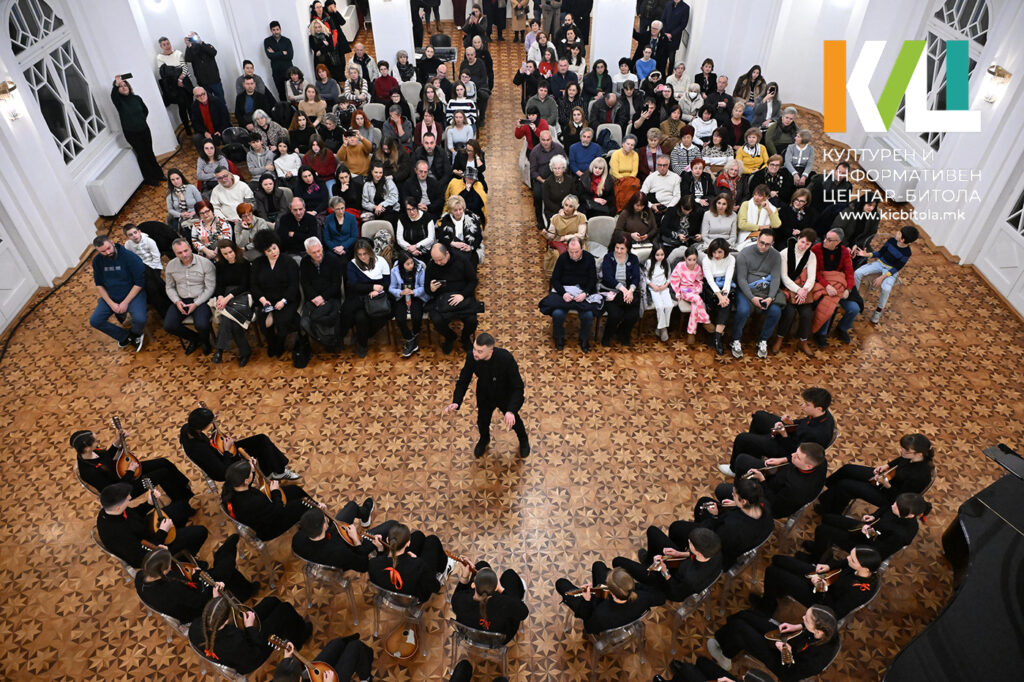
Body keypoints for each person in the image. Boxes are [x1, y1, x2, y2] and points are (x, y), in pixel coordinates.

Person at [651, 477, 773, 569]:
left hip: (718, 549)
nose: (732, 495)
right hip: (733, 534)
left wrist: (715, 516)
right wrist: (736, 504)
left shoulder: (731, 527)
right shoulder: (764, 504)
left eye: (734, 495)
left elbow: (712, 547)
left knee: (676, 527)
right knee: (704, 502)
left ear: (744, 501)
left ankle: (679, 558)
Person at [443, 332, 529, 458]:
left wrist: (511, 410)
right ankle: (484, 439)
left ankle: (523, 440)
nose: (475, 353)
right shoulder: (472, 357)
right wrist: (456, 401)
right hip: (485, 394)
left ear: (490, 351)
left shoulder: (505, 358)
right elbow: (463, 380)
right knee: (482, 421)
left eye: (480, 351)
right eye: (474, 349)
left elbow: (518, 387)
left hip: (504, 394)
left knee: (514, 421)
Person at [707, 605, 840, 680]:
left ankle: (725, 655)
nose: (802, 617)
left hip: (784, 666)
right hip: (791, 642)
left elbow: (789, 676)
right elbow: (809, 626)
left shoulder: (816, 660)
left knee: (739, 628)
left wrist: (785, 653)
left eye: (806, 620)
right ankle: (723, 640)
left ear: (818, 632)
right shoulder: (829, 628)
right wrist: (798, 626)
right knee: (745, 615)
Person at [189, 595, 312, 675]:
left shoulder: (195, 627)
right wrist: (250, 627)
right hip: (251, 657)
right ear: (226, 621)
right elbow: (255, 653)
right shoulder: (234, 639)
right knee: (285, 609)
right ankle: (299, 638)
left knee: (271, 601)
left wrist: (217, 600)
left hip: (237, 650)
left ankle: (289, 629)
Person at [136, 544, 256, 624]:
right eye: (169, 566)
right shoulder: (174, 589)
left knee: (225, 569)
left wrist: (161, 555)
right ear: (163, 572)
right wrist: (197, 578)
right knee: (225, 568)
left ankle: (242, 586)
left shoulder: (140, 577)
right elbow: (200, 601)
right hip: (198, 611)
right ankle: (246, 591)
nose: (170, 568)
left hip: (187, 597)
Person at [750, 546, 881, 620]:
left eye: (852, 559)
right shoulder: (861, 566)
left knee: (772, 572)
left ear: (865, 569)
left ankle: (767, 606)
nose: (848, 558)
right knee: (778, 559)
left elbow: (833, 612)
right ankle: (779, 589)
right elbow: (844, 563)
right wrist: (829, 566)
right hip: (826, 579)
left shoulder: (857, 593)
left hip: (820, 599)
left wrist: (820, 587)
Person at [96, 482, 206, 569]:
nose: (130, 497)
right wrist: (163, 532)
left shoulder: (110, 510)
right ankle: (183, 561)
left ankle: (176, 535)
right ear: (118, 508)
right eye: (127, 499)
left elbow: (134, 514)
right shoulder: (118, 534)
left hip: (144, 529)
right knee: (201, 532)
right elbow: (142, 556)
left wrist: (149, 503)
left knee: (182, 507)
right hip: (150, 550)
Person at [817, 434, 935, 515]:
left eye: (906, 450)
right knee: (848, 469)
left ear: (919, 454)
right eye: (903, 448)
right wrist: (886, 466)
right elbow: (901, 459)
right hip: (888, 478)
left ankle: (831, 511)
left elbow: (900, 497)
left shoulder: (920, 476)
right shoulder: (912, 456)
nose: (902, 452)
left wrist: (886, 484)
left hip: (889, 496)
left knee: (845, 486)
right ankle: (827, 493)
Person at [726, 386, 835, 472]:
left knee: (742, 439)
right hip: (790, 435)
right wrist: (791, 423)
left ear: (818, 408)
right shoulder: (822, 413)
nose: (802, 405)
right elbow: (804, 423)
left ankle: (735, 469)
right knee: (759, 416)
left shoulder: (817, 434)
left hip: (786, 448)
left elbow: (795, 452)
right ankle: (754, 453)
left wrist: (783, 434)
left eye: (807, 404)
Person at [179, 404, 297, 482]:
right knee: (259, 446)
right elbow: (222, 470)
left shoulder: (188, 428)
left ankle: (272, 472)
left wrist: (211, 420)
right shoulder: (198, 450)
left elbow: (210, 441)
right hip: (224, 467)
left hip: (219, 453)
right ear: (202, 427)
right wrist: (226, 449)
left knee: (261, 439)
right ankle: (278, 472)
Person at [800, 493, 931, 563]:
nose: (893, 506)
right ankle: (820, 547)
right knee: (828, 518)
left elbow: (879, 552)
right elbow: (886, 508)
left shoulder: (901, 535)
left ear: (910, 515)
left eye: (896, 507)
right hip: (865, 529)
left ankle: (816, 558)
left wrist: (868, 533)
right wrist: (874, 516)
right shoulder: (901, 507)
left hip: (863, 546)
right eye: (895, 503)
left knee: (822, 530)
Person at [73, 426, 193, 502]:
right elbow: (114, 490)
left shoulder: (91, 451)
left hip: (121, 473)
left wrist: (117, 442)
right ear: (87, 448)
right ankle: (183, 500)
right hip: (124, 489)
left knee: (163, 462)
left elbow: (107, 458)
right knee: (163, 473)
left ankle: (183, 485)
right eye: (96, 441)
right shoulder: (90, 472)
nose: (98, 442)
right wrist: (130, 471)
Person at [612, 527, 722, 603]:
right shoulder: (714, 551)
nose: (688, 541)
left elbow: (676, 594)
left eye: (690, 543)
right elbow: (695, 556)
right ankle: (648, 560)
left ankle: (648, 574)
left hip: (669, 583)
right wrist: (679, 554)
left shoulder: (691, 578)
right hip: (681, 567)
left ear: (699, 552)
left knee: (618, 562)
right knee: (652, 531)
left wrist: (664, 571)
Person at [720, 442, 828, 520]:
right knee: (742, 460)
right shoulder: (819, 459)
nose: (792, 455)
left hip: (771, 501)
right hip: (775, 479)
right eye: (795, 452)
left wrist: (762, 480)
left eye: (797, 457)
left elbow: (773, 503)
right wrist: (783, 460)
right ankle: (739, 487)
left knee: (721, 490)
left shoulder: (795, 488)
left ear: (808, 466)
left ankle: (738, 500)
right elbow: (793, 457)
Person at [555, 563, 665, 634]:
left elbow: (588, 628)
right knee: (598, 565)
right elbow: (661, 599)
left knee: (561, 583)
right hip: (623, 611)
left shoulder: (601, 614)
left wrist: (587, 600)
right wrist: (635, 586)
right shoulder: (644, 597)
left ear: (611, 593)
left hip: (594, 610)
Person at [221, 460, 312, 540]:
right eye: (250, 473)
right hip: (269, 527)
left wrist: (252, 469)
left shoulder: (231, 488)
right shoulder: (253, 501)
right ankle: (312, 523)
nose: (252, 473)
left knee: (295, 490)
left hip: (264, 512)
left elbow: (247, 484)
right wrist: (275, 491)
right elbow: (277, 510)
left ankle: (308, 513)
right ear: (246, 480)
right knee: (304, 504)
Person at [730, 231, 783, 359]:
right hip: (747, 290)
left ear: (772, 243)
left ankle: (763, 340)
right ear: (757, 239)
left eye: (767, 244)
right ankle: (735, 339)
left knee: (775, 311)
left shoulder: (776, 255)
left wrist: (770, 297)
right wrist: (752, 298)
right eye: (761, 242)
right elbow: (741, 279)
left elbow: (776, 278)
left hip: (766, 291)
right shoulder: (744, 253)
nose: (763, 246)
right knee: (743, 310)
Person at [540, 237, 598, 352]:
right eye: (571, 252)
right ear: (567, 249)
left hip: (581, 292)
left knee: (588, 316)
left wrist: (585, 293)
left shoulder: (589, 258)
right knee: (557, 314)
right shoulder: (562, 258)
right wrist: (563, 293)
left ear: (582, 248)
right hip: (565, 292)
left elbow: (593, 280)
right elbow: (555, 279)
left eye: (576, 252)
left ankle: (584, 339)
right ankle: (559, 338)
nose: (574, 255)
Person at [89, 235, 147, 351]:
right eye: (103, 251)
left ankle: (135, 334)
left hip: (133, 294)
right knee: (95, 320)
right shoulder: (97, 261)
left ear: (112, 243)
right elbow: (99, 285)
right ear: (97, 250)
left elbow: (139, 283)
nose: (107, 252)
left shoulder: (130, 257)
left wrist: (125, 302)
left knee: (140, 319)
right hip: (111, 296)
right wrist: (111, 304)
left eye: (108, 248)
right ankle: (125, 336)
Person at [368, 522, 450, 604]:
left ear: (387, 540)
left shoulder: (373, 563)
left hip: (387, 595)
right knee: (432, 540)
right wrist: (415, 560)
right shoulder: (419, 565)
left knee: (418, 535)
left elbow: (381, 568)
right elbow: (435, 587)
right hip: (413, 600)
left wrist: (380, 551)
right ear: (408, 543)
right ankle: (445, 569)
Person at [852, 225, 919, 324]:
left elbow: (896, 268)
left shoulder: (907, 253)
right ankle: (854, 297)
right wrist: (867, 254)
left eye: (899, 233)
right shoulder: (891, 241)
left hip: (891, 271)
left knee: (886, 289)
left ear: (902, 240)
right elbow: (880, 253)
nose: (897, 233)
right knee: (857, 272)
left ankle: (878, 311)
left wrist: (882, 277)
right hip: (880, 263)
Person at [252, 229, 302, 358]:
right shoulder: (257, 263)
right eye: (269, 251)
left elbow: (293, 285)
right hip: (266, 299)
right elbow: (254, 285)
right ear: (264, 252)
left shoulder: (289, 262)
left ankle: (280, 343)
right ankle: (271, 342)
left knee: (282, 320)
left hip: (287, 298)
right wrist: (263, 300)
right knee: (264, 323)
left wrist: (283, 301)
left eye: (274, 248)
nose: (273, 252)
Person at [451, 560, 529, 642]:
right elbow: (524, 613)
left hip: (469, 635)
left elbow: (458, 594)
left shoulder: (460, 600)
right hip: (499, 640)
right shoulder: (505, 603)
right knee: (509, 575)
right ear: (495, 589)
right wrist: (502, 590)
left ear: (473, 585)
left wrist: (465, 576)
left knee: (481, 565)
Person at [163, 238, 216, 356]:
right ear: (175, 253)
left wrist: (196, 303)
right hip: (181, 299)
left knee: (201, 324)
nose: (184, 255)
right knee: (169, 326)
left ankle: (205, 342)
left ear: (190, 249)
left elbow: (210, 288)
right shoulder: (171, 266)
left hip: (201, 299)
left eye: (186, 250)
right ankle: (196, 339)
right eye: (179, 253)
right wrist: (177, 301)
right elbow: (169, 287)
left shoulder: (205, 263)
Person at [341, 238, 391, 358]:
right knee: (360, 317)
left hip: (378, 297)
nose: (363, 257)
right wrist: (372, 287)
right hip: (360, 297)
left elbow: (387, 282)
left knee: (385, 313)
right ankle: (361, 345)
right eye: (360, 254)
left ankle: (361, 337)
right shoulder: (352, 264)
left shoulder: (381, 261)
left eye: (365, 253)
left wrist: (378, 291)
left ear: (370, 251)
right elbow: (354, 285)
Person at [773, 229, 820, 357]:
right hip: (785, 288)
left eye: (807, 244)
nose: (803, 246)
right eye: (802, 242)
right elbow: (784, 276)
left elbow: (811, 277)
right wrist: (798, 290)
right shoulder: (785, 253)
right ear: (798, 238)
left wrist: (804, 291)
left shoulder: (811, 256)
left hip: (803, 289)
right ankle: (779, 338)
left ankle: (803, 341)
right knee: (789, 312)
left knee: (807, 314)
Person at [110, 76, 164, 186]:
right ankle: (150, 179)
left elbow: (145, 110)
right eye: (121, 86)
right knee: (142, 155)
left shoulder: (136, 98)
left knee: (149, 152)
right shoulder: (119, 102)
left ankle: (159, 174)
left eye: (125, 85)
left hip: (144, 129)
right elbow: (113, 96)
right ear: (117, 90)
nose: (124, 87)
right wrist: (116, 84)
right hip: (131, 133)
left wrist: (141, 120)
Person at [808, 227, 856, 346]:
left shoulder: (844, 252)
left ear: (838, 242)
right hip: (822, 283)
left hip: (840, 284)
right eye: (825, 238)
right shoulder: (816, 249)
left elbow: (849, 272)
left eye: (829, 240)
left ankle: (842, 328)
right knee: (829, 306)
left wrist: (848, 289)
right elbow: (815, 271)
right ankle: (821, 333)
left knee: (854, 308)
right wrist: (827, 286)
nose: (825, 241)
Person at [210, 239, 254, 366]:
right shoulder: (219, 265)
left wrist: (226, 298)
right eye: (225, 254)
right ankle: (245, 352)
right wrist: (219, 297)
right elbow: (219, 284)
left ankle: (219, 349)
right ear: (221, 254)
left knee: (228, 317)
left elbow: (245, 285)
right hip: (226, 295)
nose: (229, 255)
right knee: (233, 322)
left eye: (230, 252)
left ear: (235, 250)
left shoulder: (244, 263)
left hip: (242, 294)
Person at [298, 236, 345, 350]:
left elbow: (336, 284)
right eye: (313, 252)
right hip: (313, 298)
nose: (317, 254)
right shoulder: (304, 262)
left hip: (331, 297)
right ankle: (324, 341)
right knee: (304, 322)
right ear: (307, 252)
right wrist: (316, 298)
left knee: (328, 318)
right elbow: (305, 283)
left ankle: (331, 342)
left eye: (319, 251)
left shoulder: (333, 260)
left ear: (322, 247)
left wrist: (323, 297)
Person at [599, 233, 642, 346]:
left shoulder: (633, 259)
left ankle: (623, 333)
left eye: (622, 248)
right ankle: (607, 336)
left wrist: (630, 291)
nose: (618, 251)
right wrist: (623, 290)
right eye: (617, 247)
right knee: (615, 315)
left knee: (633, 315)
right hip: (611, 291)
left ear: (628, 248)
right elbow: (608, 278)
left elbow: (636, 277)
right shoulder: (608, 258)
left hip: (628, 292)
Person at [273, 636, 373, 682]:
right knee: (356, 647)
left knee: (337, 643)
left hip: (311, 677)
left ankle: (346, 646)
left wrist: (287, 658)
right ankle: (366, 679)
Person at [122, 223, 170, 318]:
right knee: (147, 285)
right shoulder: (128, 245)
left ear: (139, 232)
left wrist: (149, 269)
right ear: (127, 237)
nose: (134, 236)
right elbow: (130, 259)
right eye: (130, 235)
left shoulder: (149, 241)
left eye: (135, 232)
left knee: (152, 283)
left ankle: (164, 305)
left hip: (154, 266)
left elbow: (156, 258)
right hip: (140, 268)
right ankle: (158, 304)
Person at [389, 252, 429, 358]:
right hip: (401, 297)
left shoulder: (420, 268)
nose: (411, 265)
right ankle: (410, 339)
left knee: (417, 317)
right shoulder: (395, 271)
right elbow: (391, 288)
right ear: (402, 264)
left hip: (416, 296)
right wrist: (400, 292)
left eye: (412, 262)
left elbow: (424, 286)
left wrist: (414, 292)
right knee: (400, 319)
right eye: (408, 264)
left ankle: (414, 336)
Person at [669, 245, 710, 343]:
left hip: (694, 291)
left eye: (694, 260)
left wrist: (698, 289)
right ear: (685, 258)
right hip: (684, 290)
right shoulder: (680, 266)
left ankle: (691, 333)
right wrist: (677, 292)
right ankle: (705, 320)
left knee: (695, 306)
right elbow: (674, 280)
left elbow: (700, 281)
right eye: (689, 259)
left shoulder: (698, 268)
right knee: (698, 299)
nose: (692, 262)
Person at [156, 36, 195, 135]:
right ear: (161, 46)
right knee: (182, 108)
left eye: (168, 43)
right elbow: (164, 73)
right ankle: (187, 129)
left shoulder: (178, 53)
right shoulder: (160, 57)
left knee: (191, 106)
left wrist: (179, 77)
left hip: (185, 84)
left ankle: (196, 126)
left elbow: (185, 68)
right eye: (164, 45)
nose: (167, 46)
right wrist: (177, 70)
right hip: (175, 88)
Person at [438, 194, 484, 265]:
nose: (458, 212)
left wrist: (470, 247)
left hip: (469, 248)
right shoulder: (446, 219)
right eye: (455, 210)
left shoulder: (472, 217)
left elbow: (479, 237)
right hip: (452, 249)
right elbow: (441, 237)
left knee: (469, 261)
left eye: (460, 209)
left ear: (463, 208)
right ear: (450, 210)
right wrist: (453, 243)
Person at [645, 243, 674, 341]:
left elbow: (669, 277)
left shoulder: (666, 263)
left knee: (669, 306)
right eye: (657, 255)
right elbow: (645, 277)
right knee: (660, 307)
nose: (660, 257)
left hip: (664, 288)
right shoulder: (649, 262)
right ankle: (664, 329)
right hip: (654, 290)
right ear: (654, 254)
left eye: (662, 255)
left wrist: (665, 285)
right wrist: (653, 286)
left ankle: (660, 327)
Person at [184, 32, 223, 101]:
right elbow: (188, 59)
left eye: (194, 37)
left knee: (220, 100)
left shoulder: (207, 46)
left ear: (198, 37)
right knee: (207, 102)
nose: (193, 39)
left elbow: (213, 52)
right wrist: (188, 46)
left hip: (215, 80)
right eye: (191, 38)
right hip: (203, 83)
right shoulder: (191, 50)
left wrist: (201, 43)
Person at [165, 168, 203, 235]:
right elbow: (170, 209)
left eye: (177, 178)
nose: (176, 181)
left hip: (196, 213)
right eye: (173, 180)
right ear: (170, 181)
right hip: (181, 217)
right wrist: (181, 214)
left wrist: (194, 212)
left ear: (181, 177)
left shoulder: (191, 188)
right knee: (187, 230)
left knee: (199, 229)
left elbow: (200, 202)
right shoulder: (169, 194)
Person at [264, 21, 294, 100]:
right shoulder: (267, 41)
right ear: (271, 30)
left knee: (293, 92)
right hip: (276, 71)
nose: (276, 32)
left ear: (280, 29)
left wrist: (275, 53)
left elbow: (290, 56)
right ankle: (284, 108)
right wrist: (282, 53)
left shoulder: (287, 40)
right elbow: (269, 56)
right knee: (281, 94)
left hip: (288, 70)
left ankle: (295, 107)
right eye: (274, 30)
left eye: (277, 29)